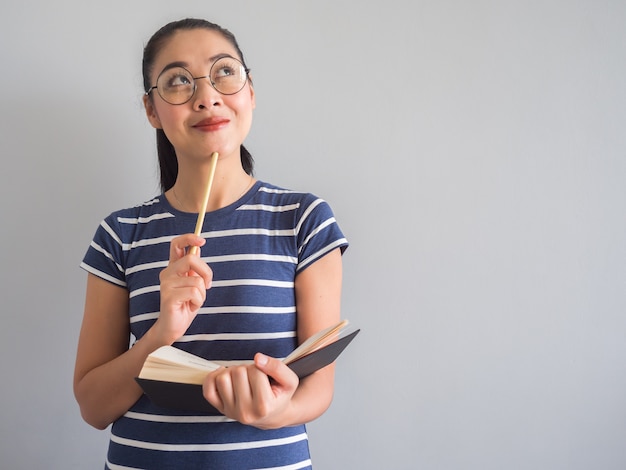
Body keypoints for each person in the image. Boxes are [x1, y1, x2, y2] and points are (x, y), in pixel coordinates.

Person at [73, 18, 348, 469]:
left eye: (224, 71)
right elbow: (93, 407)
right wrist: (162, 334)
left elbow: (318, 388)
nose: (207, 96)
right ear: (151, 110)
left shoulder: (304, 220)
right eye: (178, 81)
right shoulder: (120, 233)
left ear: (250, 91)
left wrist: (274, 410)